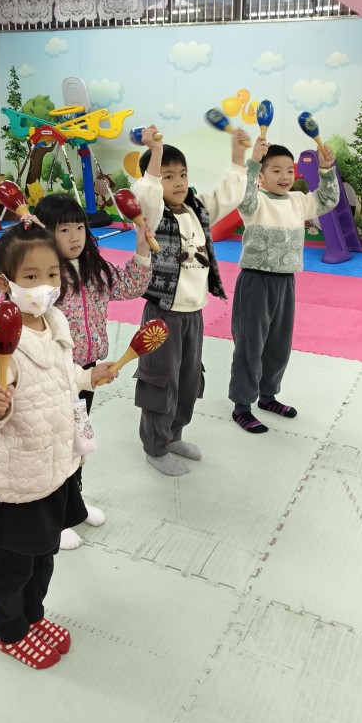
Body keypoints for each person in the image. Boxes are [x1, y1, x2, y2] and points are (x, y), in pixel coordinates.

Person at [0, 219, 116, 669]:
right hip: (17, 475)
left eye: (51, 274)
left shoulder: (55, 322)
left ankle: (33, 615)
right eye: (30, 277)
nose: (44, 286)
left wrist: (88, 376)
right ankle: (11, 631)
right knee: (14, 564)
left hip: (55, 467)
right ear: (4, 284)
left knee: (44, 555)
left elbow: (61, 379)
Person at [33, 192, 154, 550]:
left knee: (78, 441)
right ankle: (52, 518)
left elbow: (132, 285)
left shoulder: (94, 270)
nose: (74, 236)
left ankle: (74, 505)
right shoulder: (42, 278)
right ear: (44, 233)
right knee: (55, 446)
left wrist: (141, 246)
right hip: (54, 374)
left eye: (79, 227)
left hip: (88, 372)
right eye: (63, 229)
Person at [131, 123, 250, 476]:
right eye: (168, 177)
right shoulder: (153, 215)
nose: (179, 182)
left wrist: (238, 154)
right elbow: (146, 194)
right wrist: (155, 152)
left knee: (187, 379)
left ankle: (174, 435)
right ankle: (155, 447)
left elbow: (229, 194)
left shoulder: (196, 208)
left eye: (182, 174)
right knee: (160, 380)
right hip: (163, 313)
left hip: (193, 314)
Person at [229, 137, 339, 433]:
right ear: (262, 177)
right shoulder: (255, 202)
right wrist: (253, 161)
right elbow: (242, 193)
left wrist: (326, 169)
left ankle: (267, 396)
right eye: (276, 170)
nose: (285, 176)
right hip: (255, 282)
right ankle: (242, 405)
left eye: (290, 170)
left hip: (286, 282)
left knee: (278, 344)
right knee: (250, 345)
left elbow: (328, 199)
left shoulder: (298, 201)